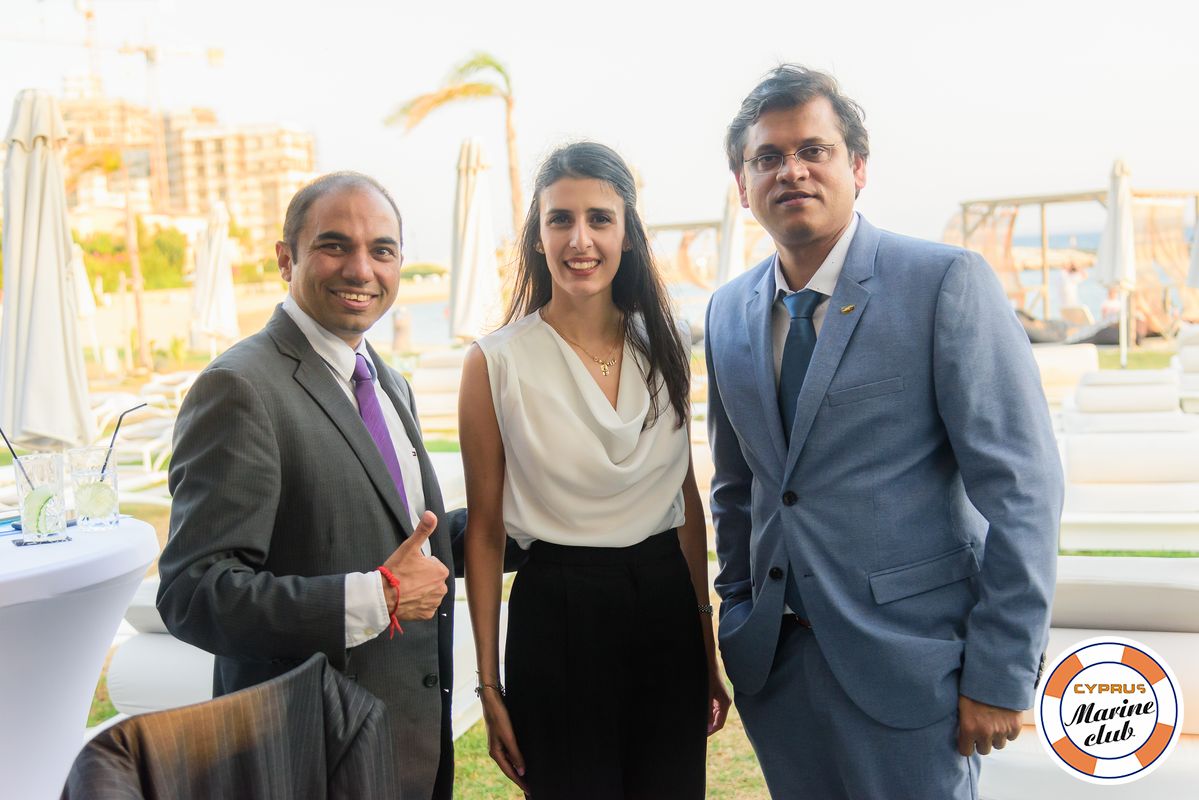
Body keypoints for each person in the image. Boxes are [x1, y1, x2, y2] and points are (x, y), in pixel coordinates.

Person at [705, 66, 1064, 798]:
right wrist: (738, 609)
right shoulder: (725, 312)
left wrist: (999, 670)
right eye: (767, 157)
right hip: (775, 671)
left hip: (914, 671)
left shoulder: (944, 283)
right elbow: (735, 488)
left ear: (858, 166)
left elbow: (1023, 492)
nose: (791, 170)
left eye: (814, 149)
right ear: (742, 184)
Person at [157, 172, 457, 800]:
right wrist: (375, 598)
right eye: (334, 245)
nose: (361, 269)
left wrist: (514, 521)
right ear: (285, 258)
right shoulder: (239, 388)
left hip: (405, 749)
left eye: (382, 250)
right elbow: (194, 592)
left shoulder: (387, 381)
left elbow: (396, 538)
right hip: (305, 758)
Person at [460, 141, 731, 799]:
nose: (579, 239)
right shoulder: (494, 363)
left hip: (665, 606)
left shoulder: (667, 342)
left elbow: (685, 502)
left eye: (599, 219)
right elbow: (486, 532)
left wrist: (705, 644)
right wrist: (489, 686)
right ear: (537, 237)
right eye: (560, 219)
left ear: (628, 235)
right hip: (558, 614)